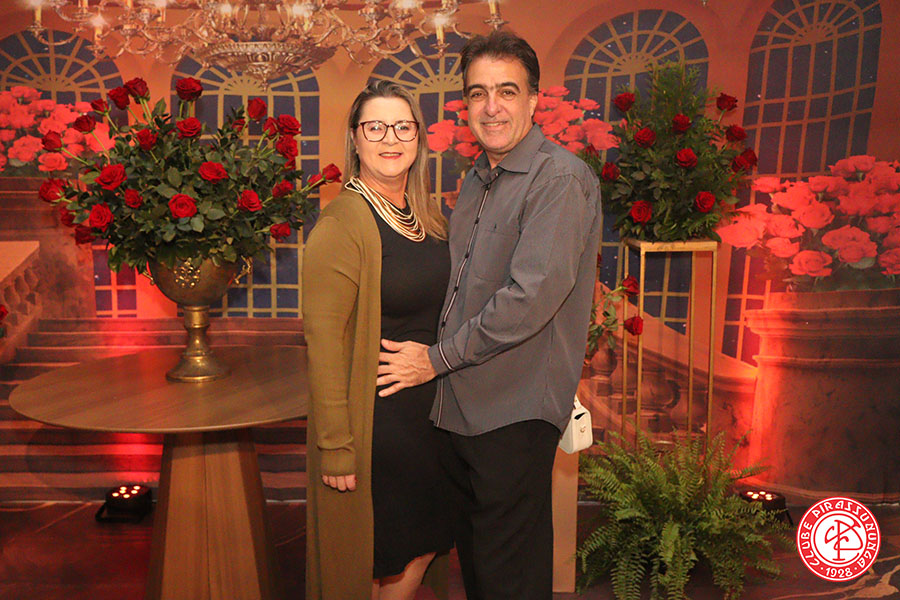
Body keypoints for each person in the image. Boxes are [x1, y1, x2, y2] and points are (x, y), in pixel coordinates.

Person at [377, 31, 603, 600]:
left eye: (507, 91)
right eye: (478, 93)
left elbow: (529, 298)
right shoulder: (477, 180)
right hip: (462, 408)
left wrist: (434, 360)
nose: (491, 107)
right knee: (481, 572)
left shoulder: (559, 179)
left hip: (514, 410)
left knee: (509, 576)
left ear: (534, 100)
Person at [302, 81, 452, 600]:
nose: (391, 138)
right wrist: (335, 447)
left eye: (403, 127)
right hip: (378, 425)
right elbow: (324, 342)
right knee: (377, 556)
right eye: (375, 127)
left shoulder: (427, 218)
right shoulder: (342, 224)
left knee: (419, 546)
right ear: (355, 139)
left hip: (427, 417)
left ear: (419, 138)